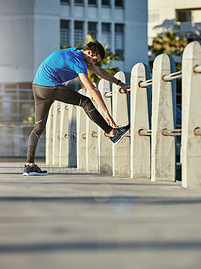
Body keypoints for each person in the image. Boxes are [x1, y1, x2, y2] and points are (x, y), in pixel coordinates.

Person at [23, 41, 130, 176]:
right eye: (94, 60)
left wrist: (120, 83)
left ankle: (29, 165)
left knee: (38, 127)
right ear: (89, 52)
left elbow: (99, 71)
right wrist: (106, 112)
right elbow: (92, 89)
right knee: (85, 101)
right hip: (50, 87)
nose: (93, 64)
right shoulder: (78, 61)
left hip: (38, 87)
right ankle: (111, 133)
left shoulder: (76, 53)